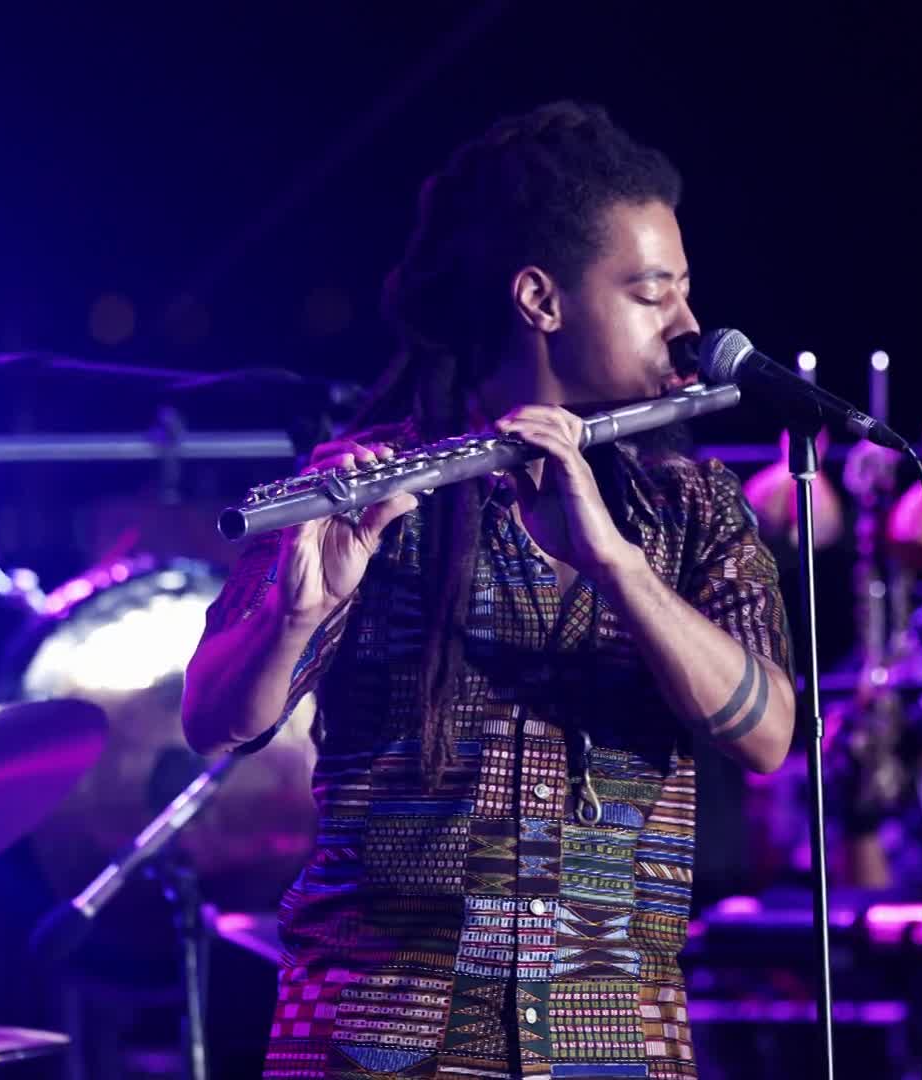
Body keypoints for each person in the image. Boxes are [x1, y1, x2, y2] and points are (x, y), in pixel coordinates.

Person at [182, 101, 795, 1079]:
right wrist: (301, 610)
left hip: (616, 1043)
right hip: (378, 1041)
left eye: (685, 293)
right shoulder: (372, 484)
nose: (688, 328)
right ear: (540, 301)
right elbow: (213, 721)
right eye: (650, 294)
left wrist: (620, 569)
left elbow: (766, 734)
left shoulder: (695, 508)